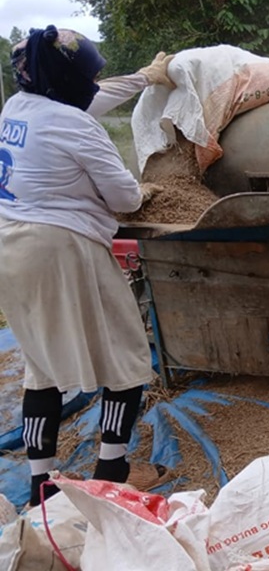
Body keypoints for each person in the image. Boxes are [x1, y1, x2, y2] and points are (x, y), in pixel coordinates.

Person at [0, 26, 174, 506]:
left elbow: (90, 101)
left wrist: (143, 78)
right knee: (127, 361)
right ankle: (113, 473)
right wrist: (144, 192)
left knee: (42, 369)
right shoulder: (75, 126)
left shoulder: (18, 107)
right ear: (67, 81)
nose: (95, 86)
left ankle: (42, 487)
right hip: (63, 250)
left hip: (10, 246)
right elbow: (125, 197)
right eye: (88, 78)